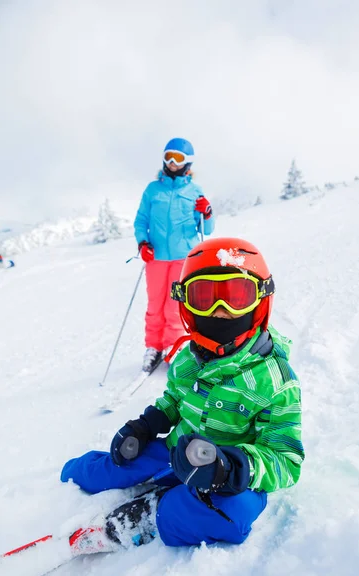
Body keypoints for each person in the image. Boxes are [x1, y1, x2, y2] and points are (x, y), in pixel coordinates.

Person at [61, 237, 304, 553]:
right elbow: (175, 399)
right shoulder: (189, 358)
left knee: (233, 516)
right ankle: (74, 476)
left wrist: (233, 467)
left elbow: (286, 460)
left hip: (227, 480)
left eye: (236, 297)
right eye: (204, 297)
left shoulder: (277, 381)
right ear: (185, 302)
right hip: (174, 453)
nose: (220, 311)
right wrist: (147, 424)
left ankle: (156, 511)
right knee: (100, 472)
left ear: (260, 300)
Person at [134, 137, 215, 373]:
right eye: (168, 156)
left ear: (188, 162)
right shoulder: (152, 190)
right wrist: (142, 243)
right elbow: (141, 220)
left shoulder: (194, 191)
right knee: (155, 304)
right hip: (156, 257)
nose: (171, 162)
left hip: (182, 257)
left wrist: (207, 212)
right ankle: (153, 347)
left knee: (173, 305)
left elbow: (206, 229)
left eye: (177, 158)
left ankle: (172, 346)